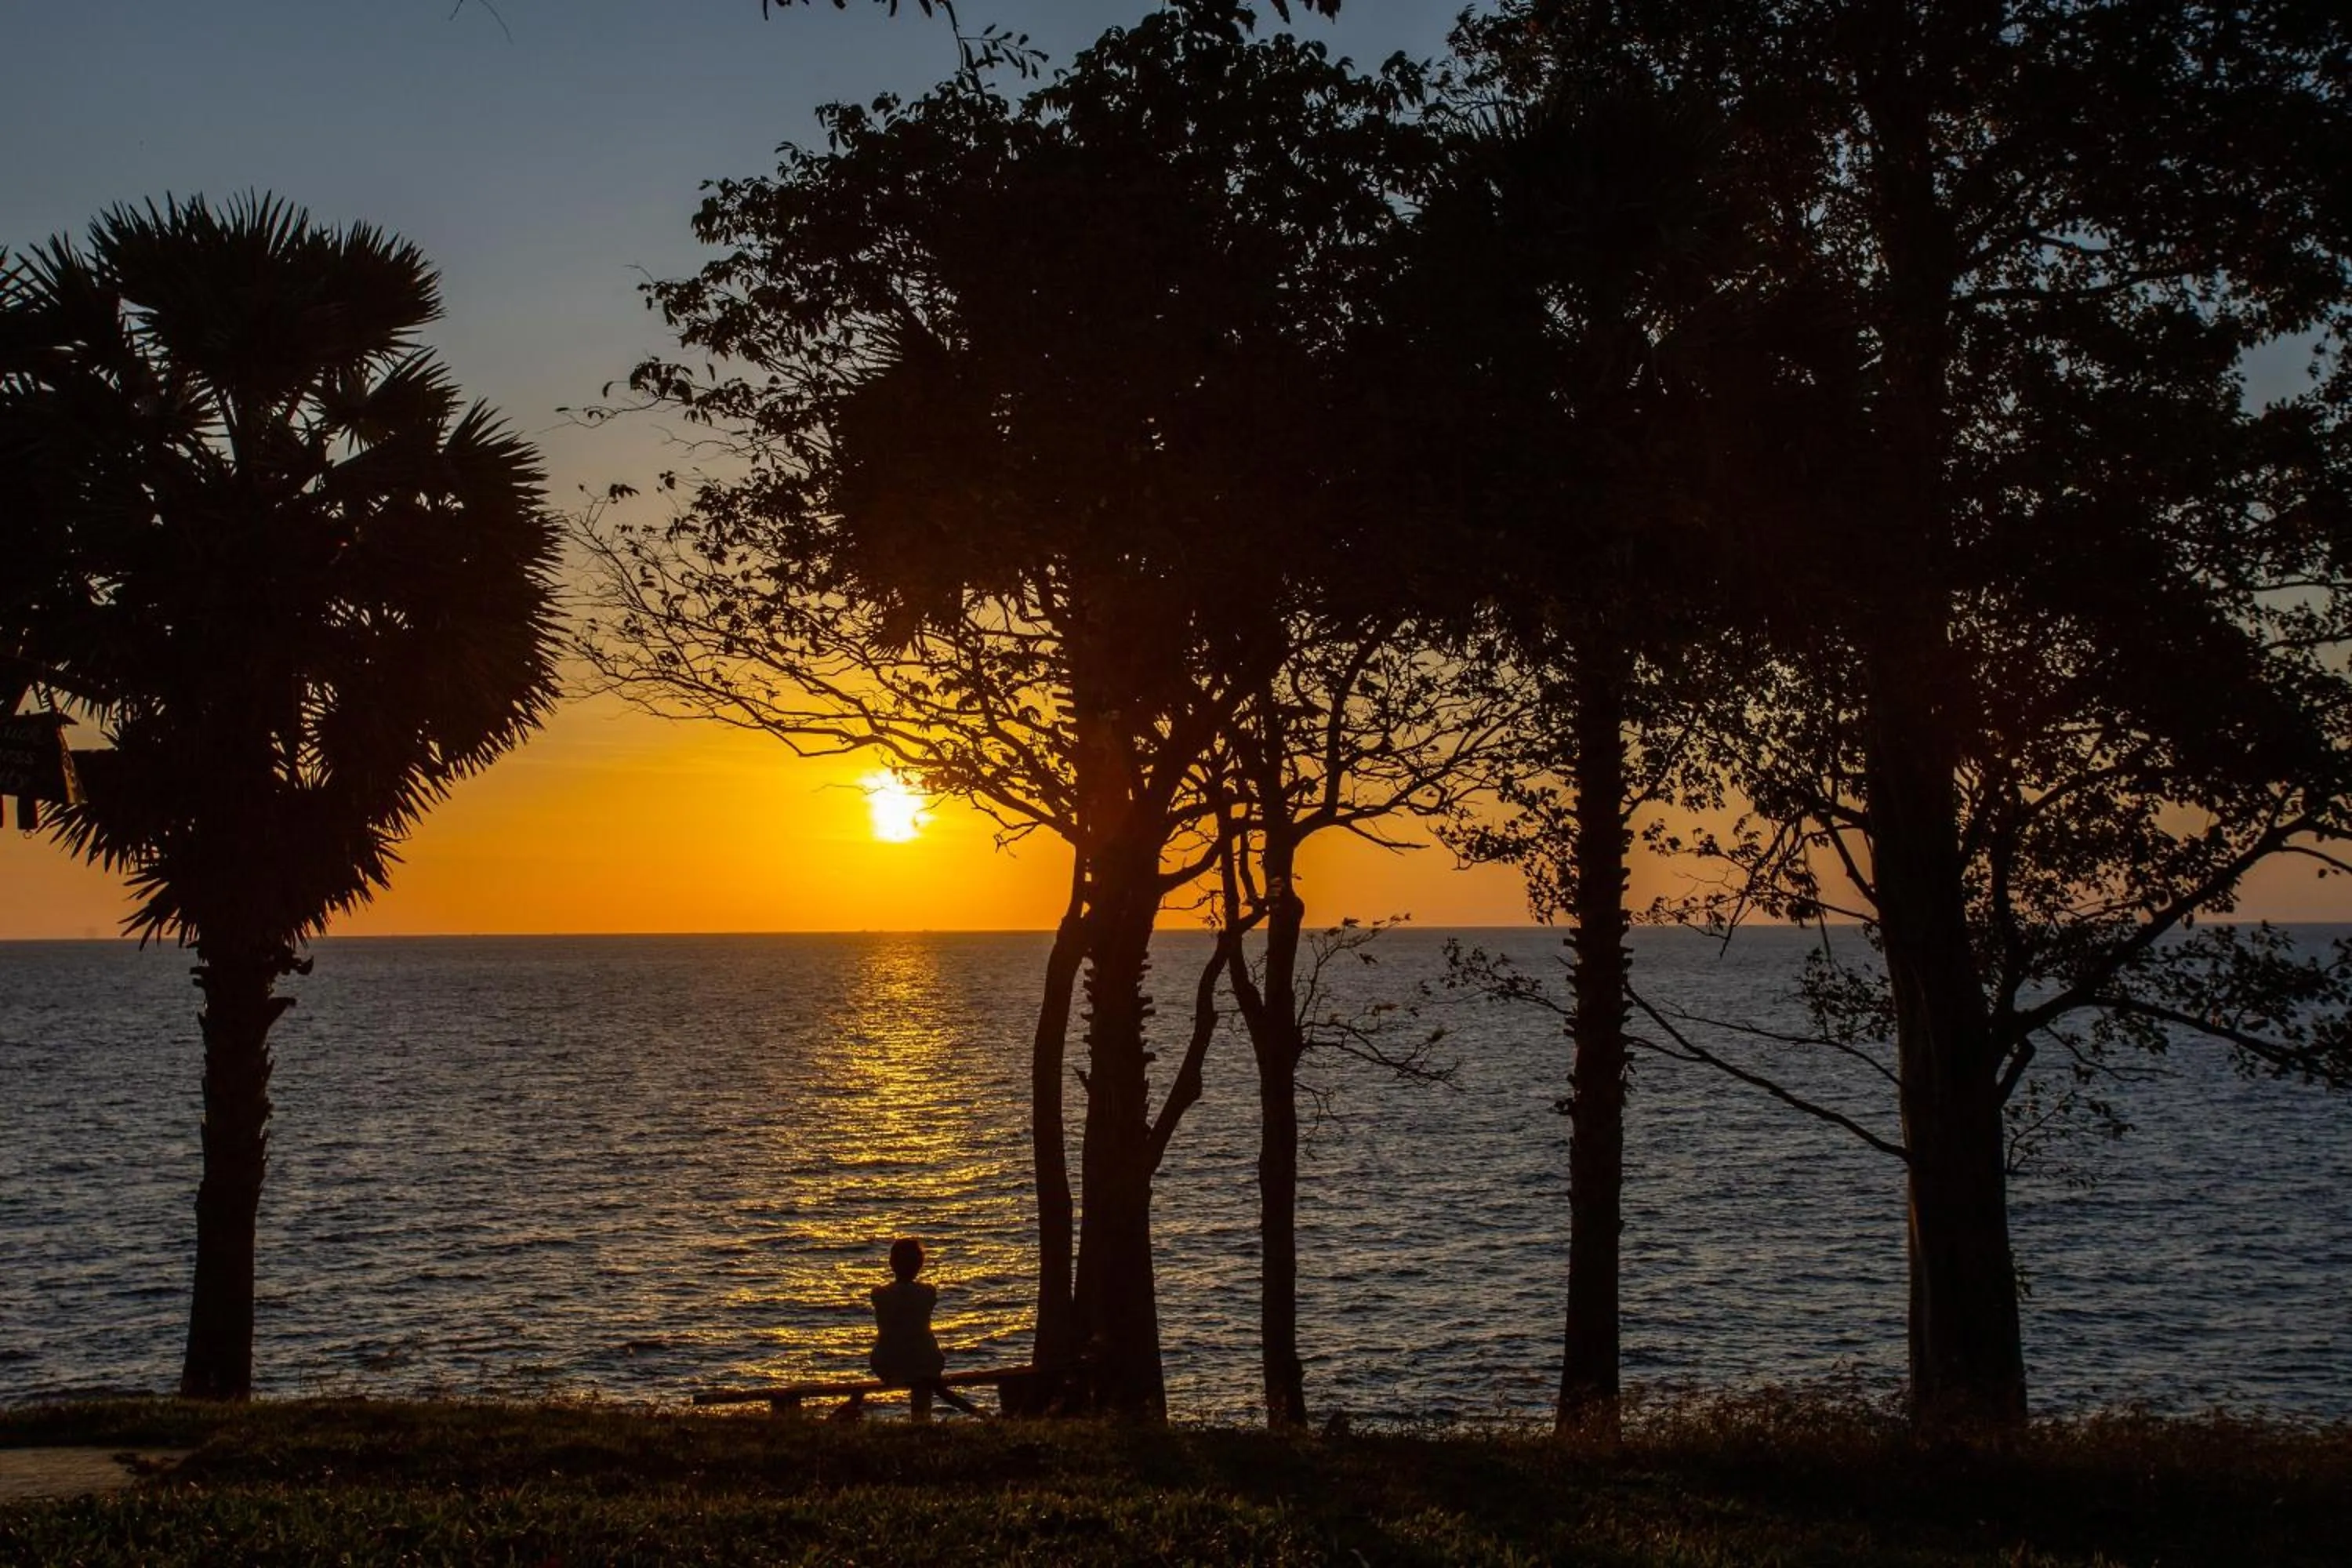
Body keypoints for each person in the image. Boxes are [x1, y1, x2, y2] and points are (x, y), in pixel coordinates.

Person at [869, 1237, 947, 1419]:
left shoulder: (879, 1294)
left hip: (888, 1363)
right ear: (920, 1264)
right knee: (923, 1374)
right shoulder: (928, 1292)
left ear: (891, 1263)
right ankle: (922, 1420)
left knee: (909, 1363)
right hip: (925, 1362)